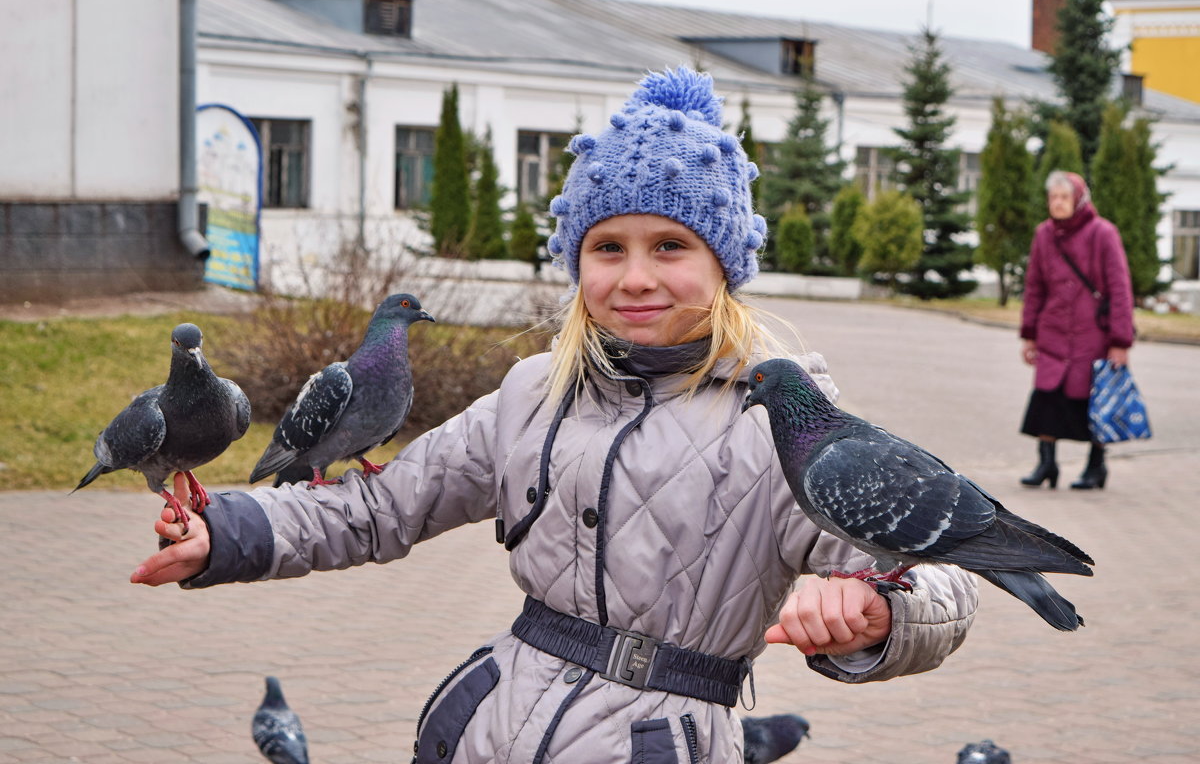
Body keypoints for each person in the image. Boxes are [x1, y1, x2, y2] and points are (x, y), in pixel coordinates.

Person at [133, 67, 977, 763]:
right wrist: (230, 532)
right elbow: (379, 507)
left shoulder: (785, 422)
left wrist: (879, 615)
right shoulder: (531, 393)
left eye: (671, 246)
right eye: (608, 248)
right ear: (577, 263)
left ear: (724, 265)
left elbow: (942, 574)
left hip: (660, 744)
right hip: (489, 731)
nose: (635, 277)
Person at [1019, 170, 1135, 491]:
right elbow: (1034, 287)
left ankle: (1096, 467)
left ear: (1079, 199)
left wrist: (1120, 341)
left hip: (1093, 336)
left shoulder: (1103, 233)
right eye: (1052, 198)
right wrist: (1029, 334)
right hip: (1053, 334)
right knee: (1046, 399)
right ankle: (1046, 464)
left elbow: (1120, 290)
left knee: (1095, 403)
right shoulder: (1044, 234)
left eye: (1063, 198)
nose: (1057, 203)